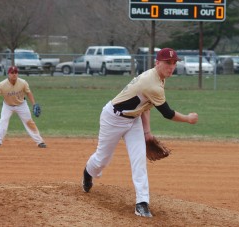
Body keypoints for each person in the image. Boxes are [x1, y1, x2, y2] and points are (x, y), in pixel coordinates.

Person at [82, 48, 198, 218]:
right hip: (112, 119)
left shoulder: (157, 77)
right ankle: (88, 172)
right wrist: (188, 118)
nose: (171, 67)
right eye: (167, 63)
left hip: (133, 120)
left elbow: (145, 106)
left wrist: (147, 132)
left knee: (139, 159)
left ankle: (142, 203)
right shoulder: (151, 83)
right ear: (157, 63)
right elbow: (167, 113)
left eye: (174, 63)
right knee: (102, 159)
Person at [0, 66, 46, 148]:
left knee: (29, 122)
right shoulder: (2, 84)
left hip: (21, 105)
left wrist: (34, 104)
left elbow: (28, 93)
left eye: (16, 72)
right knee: (3, 121)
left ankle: (39, 142)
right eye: (12, 73)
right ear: (8, 74)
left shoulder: (23, 82)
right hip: (8, 106)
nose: (14, 74)